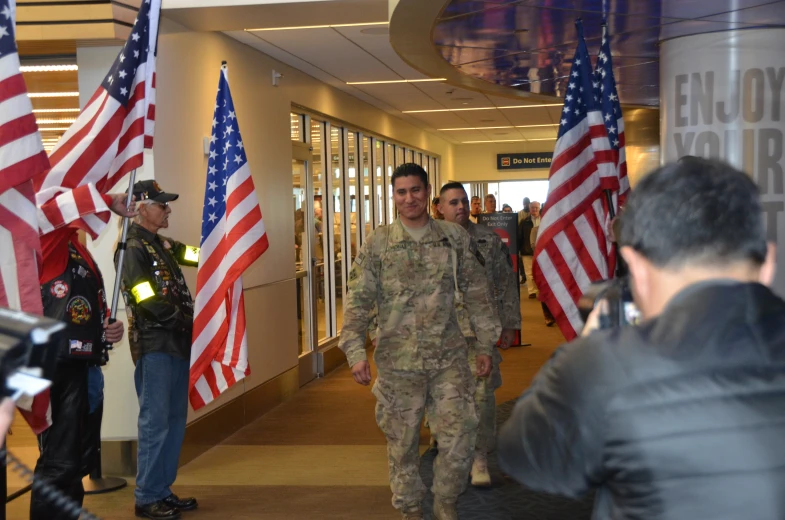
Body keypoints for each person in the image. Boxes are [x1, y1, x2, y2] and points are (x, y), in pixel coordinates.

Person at [498, 158, 785, 520]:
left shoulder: (605, 364)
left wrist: (581, 351)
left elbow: (527, 456)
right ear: (769, 261)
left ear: (634, 264)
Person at [339, 164, 500, 520]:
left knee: (459, 440)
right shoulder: (379, 244)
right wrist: (354, 352)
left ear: (429, 193)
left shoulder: (453, 238)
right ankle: (411, 510)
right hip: (399, 366)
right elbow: (358, 301)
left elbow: (477, 294)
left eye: (415, 190)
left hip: (450, 361)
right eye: (401, 192)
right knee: (403, 447)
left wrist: (485, 345)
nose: (409, 198)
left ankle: (445, 505)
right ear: (393, 196)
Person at [33, 191, 135, 520]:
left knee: (77, 458)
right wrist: (106, 199)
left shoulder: (79, 250)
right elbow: (53, 215)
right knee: (59, 461)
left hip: (85, 367)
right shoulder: (46, 240)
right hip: (56, 367)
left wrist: (105, 329)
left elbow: (82, 307)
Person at [117, 180, 199, 520]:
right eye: (161, 204)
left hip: (177, 343)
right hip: (156, 344)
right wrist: (182, 321)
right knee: (155, 423)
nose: (167, 210)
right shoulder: (132, 248)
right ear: (140, 207)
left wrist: (222, 252)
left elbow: (195, 255)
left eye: (166, 205)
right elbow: (143, 296)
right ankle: (146, 496)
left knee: (174, 421)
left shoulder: (161, 244)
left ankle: (162, 490)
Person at [438, 182, 520, 487]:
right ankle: (447, 447)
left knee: (482, 397)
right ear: (440, 207)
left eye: (464, 201)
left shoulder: (487, 240)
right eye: (453, 202)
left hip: (478, 332)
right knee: (443, 397)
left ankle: (480, 456)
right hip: (438, 334)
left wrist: (510, 323)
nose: (460, 207)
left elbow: (506, 282)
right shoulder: (428, 241)